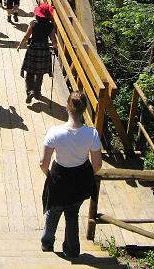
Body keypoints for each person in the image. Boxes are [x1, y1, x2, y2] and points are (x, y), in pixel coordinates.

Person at [40, 92, 102, 257]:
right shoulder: (92, 134)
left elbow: (43, 163)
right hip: (79, 181)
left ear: (67, 106)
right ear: (84, 109)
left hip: (58, 178)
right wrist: (84, 173)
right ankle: (72, 250)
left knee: (53, 211)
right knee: (72, 214)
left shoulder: (54, 132)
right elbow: (97, 165)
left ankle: (47, 244)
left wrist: (49, 175)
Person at [17, 3, 57, 103]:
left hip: (33, 49)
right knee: (39, 73)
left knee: (29, 72)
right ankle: (37, 92)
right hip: (44, 50)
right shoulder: (50, 26)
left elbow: (26, 36)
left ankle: (30, 91)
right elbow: (53, 40)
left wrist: (20, 45)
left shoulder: (33, 24)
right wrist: (55, 48)